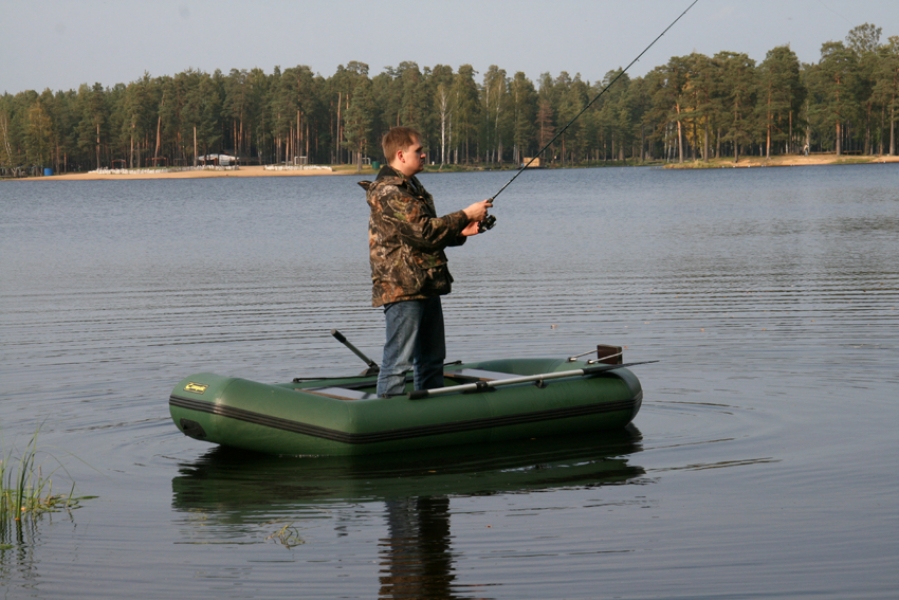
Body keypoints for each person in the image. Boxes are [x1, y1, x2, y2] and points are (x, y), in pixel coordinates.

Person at [359, 127, 492, 397]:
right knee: (398, 362)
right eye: (418, 150)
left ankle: (428, 411)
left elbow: (423, 238)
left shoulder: (412, 187)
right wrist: (466, 214)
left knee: (431, 359)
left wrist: (460, 231)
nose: (423, 154)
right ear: (401, 155)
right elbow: (425, 232)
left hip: (424, 283)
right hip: (402, 287)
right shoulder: (389, 192)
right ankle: (387, 414)